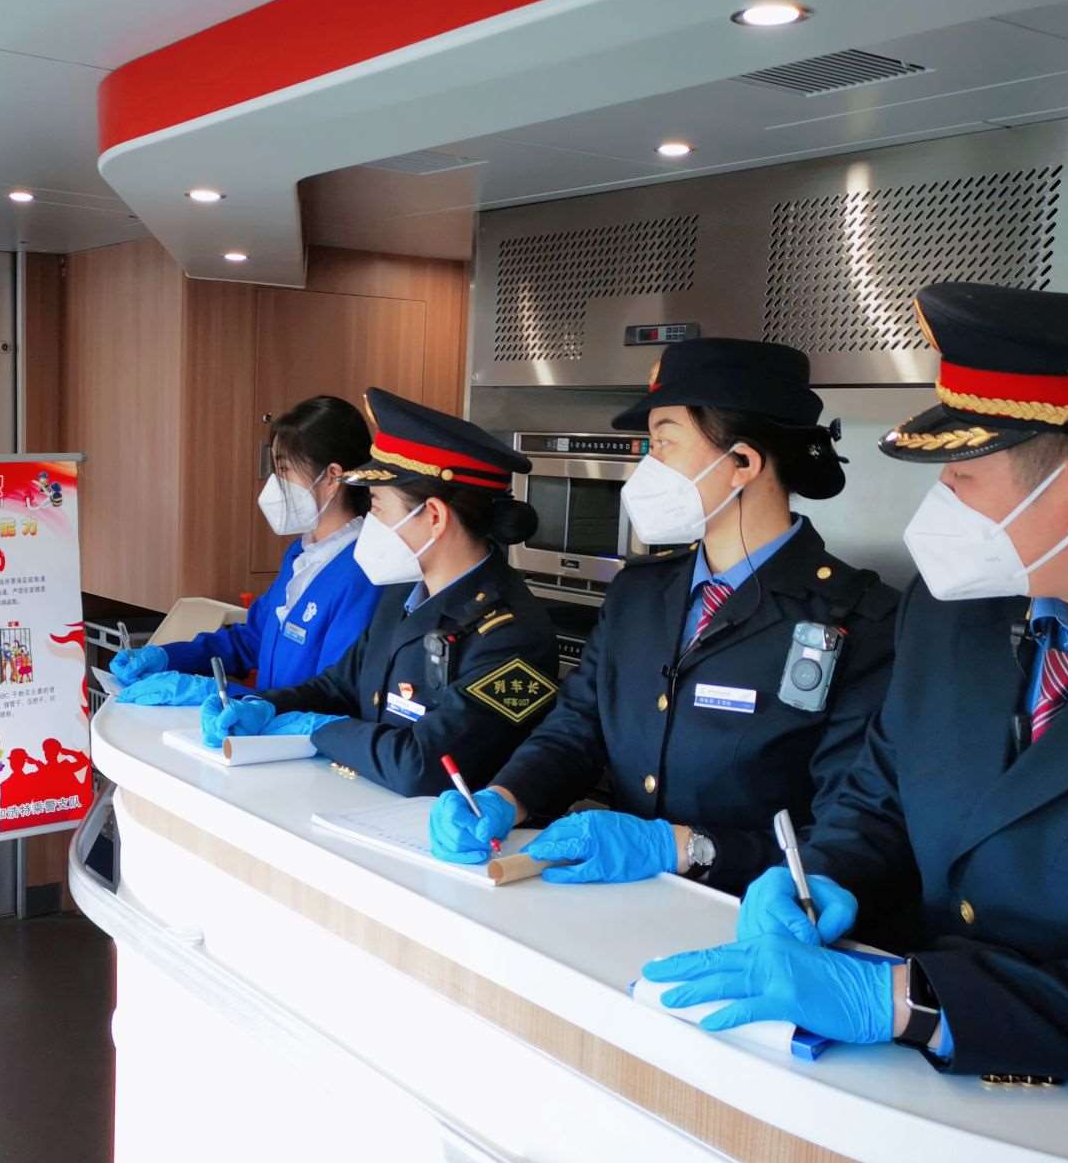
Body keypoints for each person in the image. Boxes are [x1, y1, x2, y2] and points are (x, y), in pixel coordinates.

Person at [644, 283, 1068, 1098]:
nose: (940, 506)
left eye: (960, 474)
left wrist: (914, 1002)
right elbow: (882, 795)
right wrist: (822, 874)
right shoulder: (954, 610)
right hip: (906, 1101)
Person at [430, 339, 899, 890]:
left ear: (742, 463)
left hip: (751, 912)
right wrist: (506, 795)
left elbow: (853, 825)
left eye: (663, 444)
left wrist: (686, 848)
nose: (646, 467)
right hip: (618, 898)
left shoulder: (860, 618)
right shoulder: (640, 592)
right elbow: (578, 726)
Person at [204, 388, 558, 796]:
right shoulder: (402, 595)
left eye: (376, 507)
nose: (369, 522)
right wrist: (265, 706)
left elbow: (420, 764)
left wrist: (321, 729)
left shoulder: (511, 635)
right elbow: (338, 686)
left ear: (434, 517)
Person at [109, 395, 380, 705]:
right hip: (266, 728)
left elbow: (333, 696)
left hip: (297, 731)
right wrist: (168, 657)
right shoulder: (301, 553)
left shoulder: (363, 572)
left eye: (284, 469)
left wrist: (228, 696)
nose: (274, 484)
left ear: (332, 477)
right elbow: (251, 639)